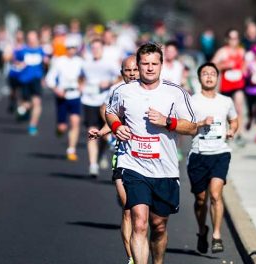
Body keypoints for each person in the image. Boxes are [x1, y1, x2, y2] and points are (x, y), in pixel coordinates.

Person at [106, 42, 197, 264]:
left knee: (158, 226)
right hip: (133, 164)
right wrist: (117, 127)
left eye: (154, 64)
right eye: (145, 63)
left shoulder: (175, 93)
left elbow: (193, 127)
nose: (149, 68)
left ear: (161, 65)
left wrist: (167, 121)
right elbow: (111, 113)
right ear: (137, 65)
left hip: (164, 169)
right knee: (139, 222)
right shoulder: (123, 91)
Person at [88, 55, 139, 264]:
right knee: (128, 208)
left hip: (151, 158)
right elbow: (110, 116)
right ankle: (132, 257)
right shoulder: (117, 92)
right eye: (128, 70)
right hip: (123, 154)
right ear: (122, 73)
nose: (133, 74)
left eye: (136, 69)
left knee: (148, 215)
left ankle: (143, 244)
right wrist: (101, 133)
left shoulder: (154, 91)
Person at [187, 62, 238, 254]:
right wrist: (201, 123)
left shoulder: (226, 101)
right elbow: (185, 127)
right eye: (205, 74)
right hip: (199, 154)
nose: (209, 77)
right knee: (201, 200)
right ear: (199, 78)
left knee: (216, 194)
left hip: (220, 153)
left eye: (212, 74)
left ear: (218, 78)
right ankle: (202, 230)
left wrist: (232, 130)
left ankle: (216, 235)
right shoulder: (192, 101)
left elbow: (234, 120)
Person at [81, 38, 120, 177]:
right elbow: (81, 77)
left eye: (98, 48)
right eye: (94, 48)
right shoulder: (85, 63)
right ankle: (93, 165)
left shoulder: (109, 64)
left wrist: (108, 82)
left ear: (103, 49)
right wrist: (81, 87)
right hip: (89, 100)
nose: (96, 50)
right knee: (91, 131)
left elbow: (120, 77)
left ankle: (101, 154)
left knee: (105, 133)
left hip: (105, 101)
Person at [45, 36, 84, 161]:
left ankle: (71, 149)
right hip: (62, 95)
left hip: (75, 95)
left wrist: (82, 85)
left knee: (75, 122)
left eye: (74, 48)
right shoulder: (59, 61)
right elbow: (49, 78)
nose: (71, 50)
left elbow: (86, 76)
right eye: (69, 48)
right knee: (62, 127)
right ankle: (59, 129)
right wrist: (56, 89)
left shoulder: (80, 61)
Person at [212, 29, 246, 147]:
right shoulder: (222, 52)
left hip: (238, 85)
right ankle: (227, 132)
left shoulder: (241, 51)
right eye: (231, 38)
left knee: (239, 107)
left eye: (236, 38)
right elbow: (212, 65)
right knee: (226, 110)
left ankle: (239, 133)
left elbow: (245, 65)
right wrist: (224, 65)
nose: (234, 41)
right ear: (227, 39)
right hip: (226, 86)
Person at [14, 30, 49, 135]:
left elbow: (46, 65)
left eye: (34, 38)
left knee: (37, 102)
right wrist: (19, 64)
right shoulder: (22, 50)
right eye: (30, 38)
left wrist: (46, 66)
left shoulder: (41, 51)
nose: (32, 41)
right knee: (26, 103)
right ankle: (22, 109)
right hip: (24, 80)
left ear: (37, 39)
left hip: (36, 80)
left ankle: (32, 126)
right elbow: (15, 61)